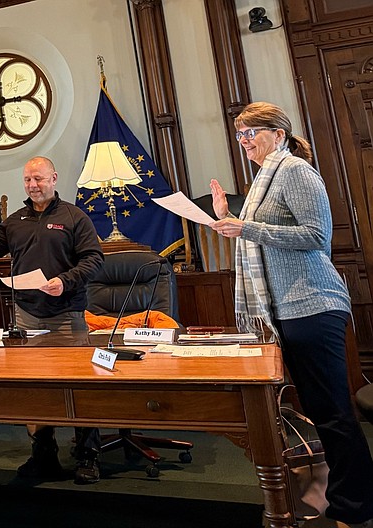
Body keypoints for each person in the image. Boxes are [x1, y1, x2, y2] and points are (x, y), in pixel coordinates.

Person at [209, 102, 373, 528]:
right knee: (319, 411)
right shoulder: (264, 178)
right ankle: (342, 499)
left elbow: (317, 237)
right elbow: (265, 242)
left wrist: (245, 227)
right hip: (285, 309)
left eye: (251, 133)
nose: (243, 141)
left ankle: (355, 508)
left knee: (334, 412)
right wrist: (228, 219)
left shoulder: (294, 171)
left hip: (312, 304)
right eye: (240, 133)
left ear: (278, 135)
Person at [0, 156, 106, 484]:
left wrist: (65, 281)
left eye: (39, 179)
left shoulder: (74, 216)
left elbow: (94, 258)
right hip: (27, 315)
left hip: (67, 315)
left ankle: (87, 456)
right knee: (35, 390)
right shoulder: (16, 220)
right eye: (27, 180)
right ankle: (44, 455)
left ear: (54, 178)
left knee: (80, 388)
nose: (32, 185)